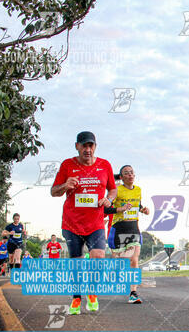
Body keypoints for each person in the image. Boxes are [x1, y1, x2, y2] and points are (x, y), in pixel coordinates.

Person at [51, 131, 117, 315]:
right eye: (84, 145)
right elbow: (53, 191)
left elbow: (112, 189)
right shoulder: (67, 165)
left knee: (98, 256)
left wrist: (109, 200)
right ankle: (76, 297)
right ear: (77, 146)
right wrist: (65, 185)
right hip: (72, 224)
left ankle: (93, 293)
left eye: (91, 145)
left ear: (95, 147)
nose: (87, 149)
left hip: (95, 223)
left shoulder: (105, 165)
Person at [105, 165, 150, 304]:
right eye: (126, 173)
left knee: (134, 259)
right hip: (119, 229)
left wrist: (143, 209)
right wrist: (121, 208)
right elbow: (106, 209)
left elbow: (137, 204)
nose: (130, 175)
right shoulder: (117, 190)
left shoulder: (138, 190)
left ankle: (133, 293)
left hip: (133, 229)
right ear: (121, 177)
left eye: (132, 172)